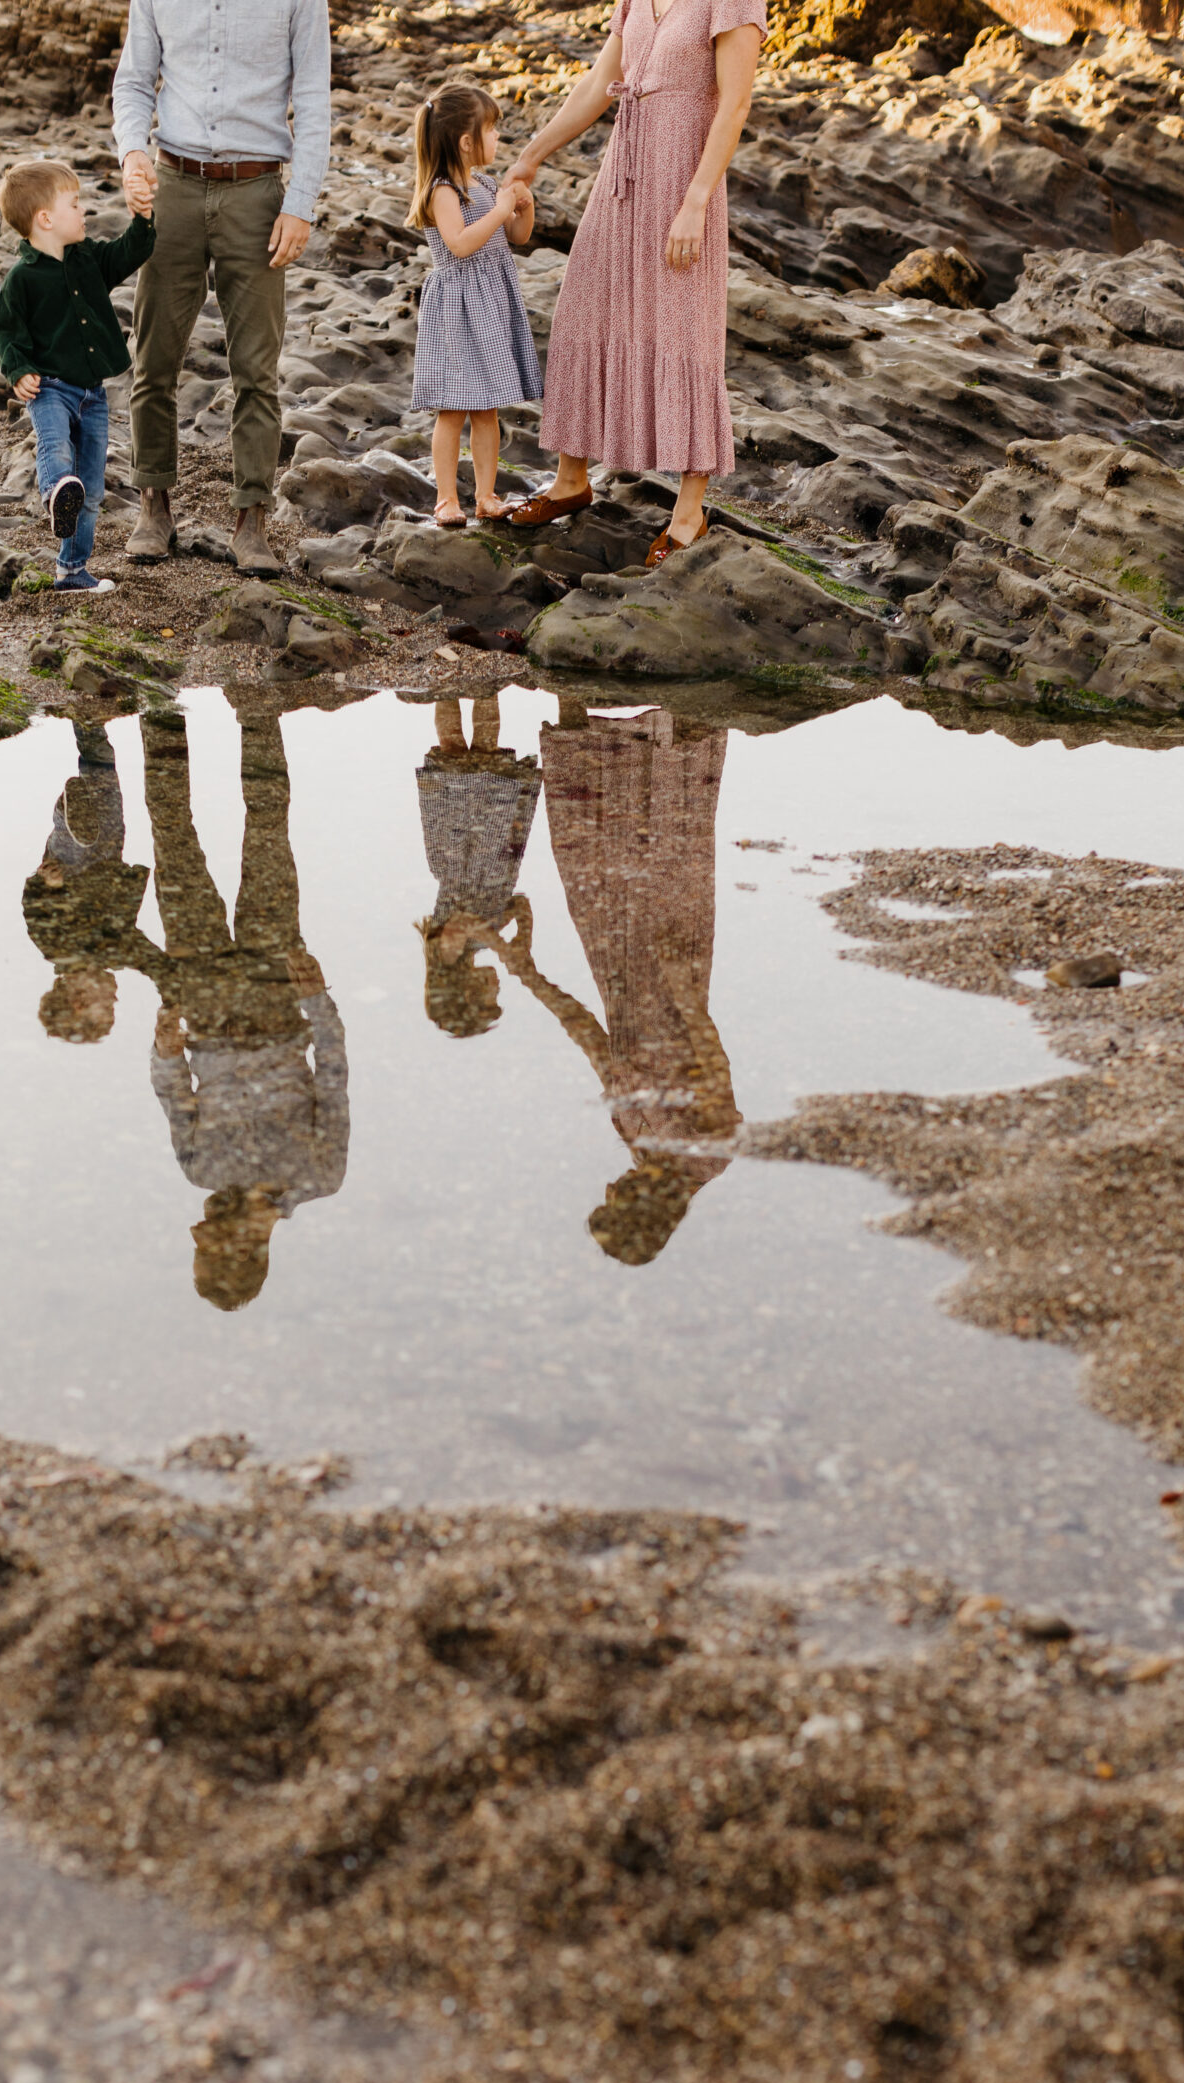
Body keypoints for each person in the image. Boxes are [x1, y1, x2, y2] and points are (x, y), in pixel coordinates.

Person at [500, 0, 766, 566]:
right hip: (624, 171)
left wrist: (696, 202)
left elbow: (735, 102)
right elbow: (602, 82)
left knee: (684, 326)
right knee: (583, 306)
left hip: (682, 177)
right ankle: (571, 481)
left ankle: (689, 512)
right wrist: (530, 157)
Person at [491, 700, 740, 1263]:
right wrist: (681, 990)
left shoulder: (638, 1141)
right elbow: (715, 1066)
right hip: (673, 982)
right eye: (614, 1200)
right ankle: (682, 705)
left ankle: (574, 701)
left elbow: (596, 1044)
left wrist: (526, 969)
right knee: (667, 851)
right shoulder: (709, 1155)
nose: (609, 1187)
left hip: (619, 971)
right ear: (642, 1211)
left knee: (586, 853)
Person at [133, 704, 348, 1308]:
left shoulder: (199, 1173)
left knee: (172, 838)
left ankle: (158, 708)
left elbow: (174, 1097)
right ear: (241, 1249)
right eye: (205, 1246)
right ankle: (257, 710)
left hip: (202, 999)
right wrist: (317, 1000)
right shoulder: (319, 1178)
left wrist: (164, 1051)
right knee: (269, 830)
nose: (195, 1231)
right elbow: (333, 1081)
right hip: (278, 992)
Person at [112, 0, 331, 577]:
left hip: (257, 194)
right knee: (153, 359)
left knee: (257, 372)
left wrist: (301, 204)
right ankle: (153, 507)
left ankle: (251, 520)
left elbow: (312, 100)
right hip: (172, 186)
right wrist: (133, 152)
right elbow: (134, 82)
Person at [0, 159, 155, 596]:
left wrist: (142, 218)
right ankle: (53, 496)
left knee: (92, 487)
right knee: (56, 453)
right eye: (75, 204)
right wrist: (19, 369)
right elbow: (8, 332)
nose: (84, 212)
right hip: (49, 390)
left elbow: (129, 253)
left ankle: (72, 571)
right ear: (46, 219)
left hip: (93, 395)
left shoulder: (88, 260)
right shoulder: (21, 279)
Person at [407, 84, 542, 529]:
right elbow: (461, 245)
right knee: (453, 408)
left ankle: (486, 494)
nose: (498, 138)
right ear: (467, 142)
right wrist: (500, 211)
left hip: (491, 304)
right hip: (457, 308)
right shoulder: (442, 191)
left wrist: (522, 208)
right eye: (492, 130)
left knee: (487, 409)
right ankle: (447, 498)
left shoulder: (485, 184)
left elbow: (518, 238)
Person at [414, 696, 540, 1037]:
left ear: (465, 992)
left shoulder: (447, 953)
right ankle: (487, 685)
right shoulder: (482, 941)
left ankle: (447, 686)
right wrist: (522, 940)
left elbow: (464, 922)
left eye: (489, 996)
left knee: (453, 749)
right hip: (495, 848)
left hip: (462, 851)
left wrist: (501, 947)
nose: (496, 988)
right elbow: (521, 903)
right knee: (487, 749)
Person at [22, 721, 150, 1040]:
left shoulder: (56, 948)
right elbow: (150, 957)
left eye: (107, 1005)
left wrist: (48, 886)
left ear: (79, 1000)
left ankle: (67, 814)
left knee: (78, 842)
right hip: (109, 855)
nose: (115, 998)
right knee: (105, 778)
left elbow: (34, 907)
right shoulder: (113, 953)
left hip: (71, 865)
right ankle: (89, 722)